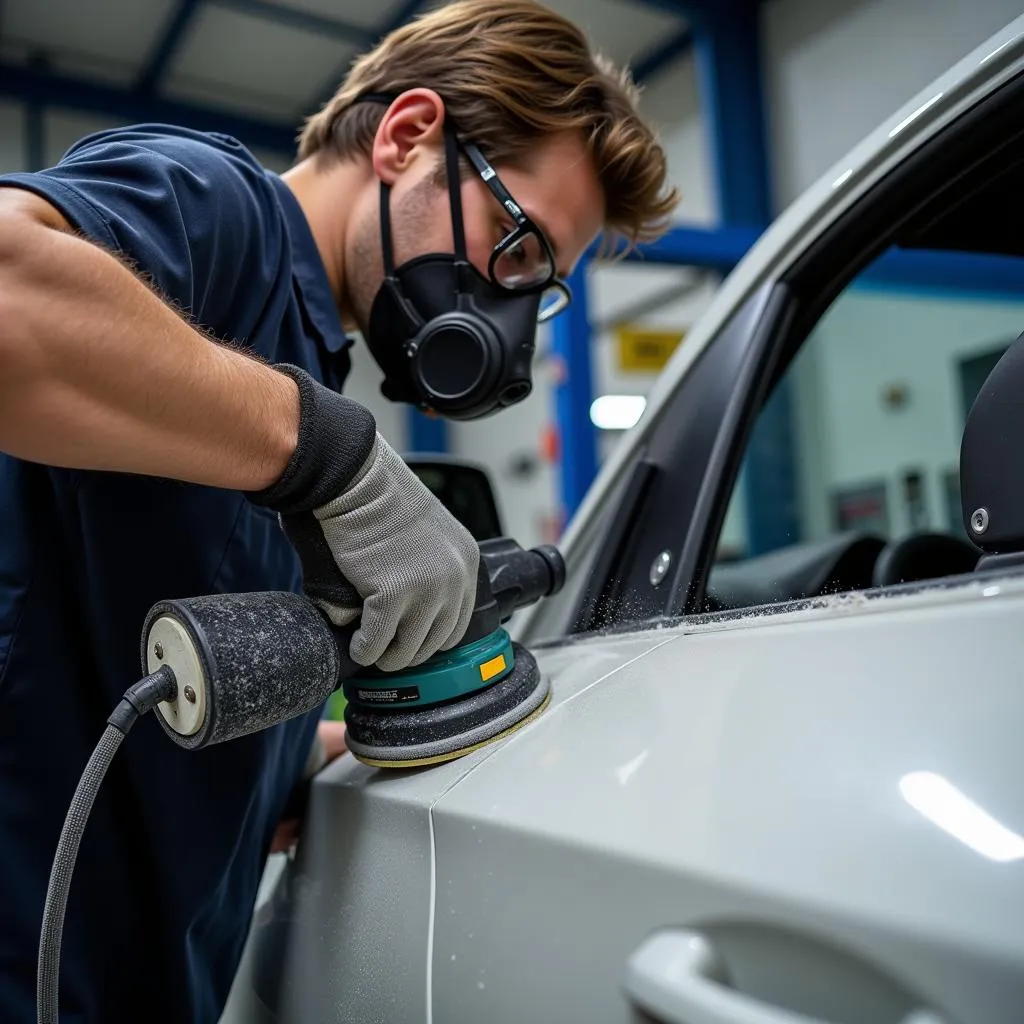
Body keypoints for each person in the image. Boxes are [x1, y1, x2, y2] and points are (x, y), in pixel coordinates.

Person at [0, 0, 677, 1019]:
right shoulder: (218, 207)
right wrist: (325, 458)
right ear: (408, 137)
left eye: (539, 287)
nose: (507, 308)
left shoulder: (296, 363)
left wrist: (275, 760)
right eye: (514, 244)